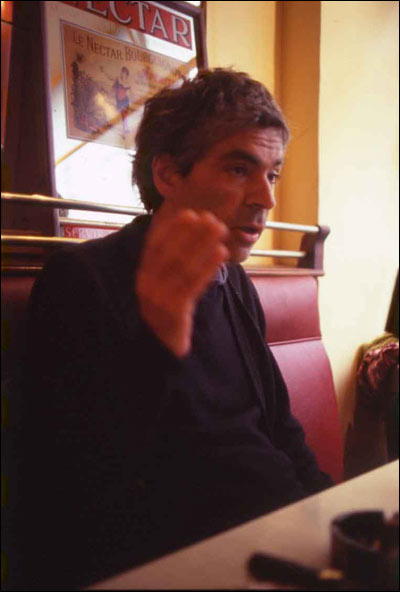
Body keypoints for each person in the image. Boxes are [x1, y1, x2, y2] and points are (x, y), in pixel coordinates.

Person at [11, 68, 333, 591]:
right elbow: (76, 489)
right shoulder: (84, 278)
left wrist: (329, 517)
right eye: (238, 168)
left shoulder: (233, 281)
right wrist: (158, 340)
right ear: (168, 175)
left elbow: (280, 429)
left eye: (272, 174)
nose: (265, 198)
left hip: (281, 540)